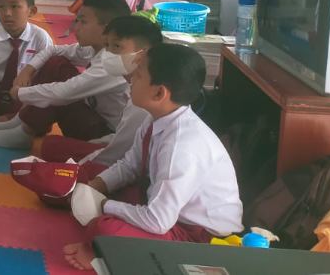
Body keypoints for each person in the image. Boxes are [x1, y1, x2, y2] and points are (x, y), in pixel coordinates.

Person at [63, 44, 243, 270]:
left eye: (138, 76)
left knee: (105, 228)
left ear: (159, 93)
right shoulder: (156, 119)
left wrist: (105, 204)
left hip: (200, 238)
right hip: (168, 212)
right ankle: (101, 233)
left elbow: (158, 221)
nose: (130, 80)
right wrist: (96, 185)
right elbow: (130, 165)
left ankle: (99, 250)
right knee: (83, 183)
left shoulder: (182, 145)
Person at [0, 0, 133, 150]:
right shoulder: (93, 48)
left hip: (105, 133)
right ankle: (22, 122)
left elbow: (64, 92)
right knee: (56, 63)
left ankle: (26, 130)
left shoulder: (112, 62)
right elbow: (53, 50)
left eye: (83, 22)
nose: (75, 28)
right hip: (91, 116)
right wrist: (28, 70)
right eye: (77, 21)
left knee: (50, 145)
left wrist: (19, 93)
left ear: (106, 29)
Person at [38, 16, 163, 181]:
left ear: (143, 52)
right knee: (49, 150)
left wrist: (75, 170)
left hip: (135, 167)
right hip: (117, 146)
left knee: (50, 159)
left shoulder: (144, 95)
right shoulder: (134, 81)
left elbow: (118, 156)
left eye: (117, 47)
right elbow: (125, 138)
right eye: (107, 46)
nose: (108, 54)